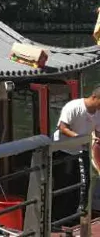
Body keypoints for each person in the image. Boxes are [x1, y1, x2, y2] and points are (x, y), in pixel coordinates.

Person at [52, 87, 100, 226]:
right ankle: (56, 219)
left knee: (83, 183)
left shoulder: (98, 113)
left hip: (81, 150)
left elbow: (98, 132)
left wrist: (96, 140)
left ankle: (72, 215)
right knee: (64, 184)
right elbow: (62, 127)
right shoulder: (73, 107)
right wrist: (79, 138)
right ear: (94, 97)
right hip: (63, 150)